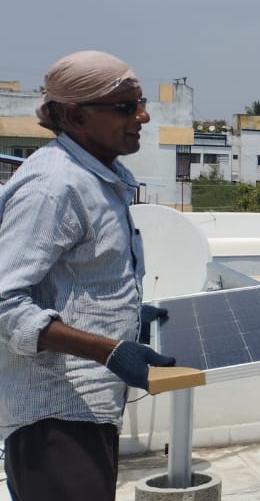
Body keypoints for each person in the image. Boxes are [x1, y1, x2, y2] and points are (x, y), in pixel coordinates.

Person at [0, 51, 177, 501]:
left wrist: (128, 317)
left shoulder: (96, 178)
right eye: (126, 107)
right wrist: (109, 349)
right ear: (77, 115)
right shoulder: (53, 186)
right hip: (54, 417)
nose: (142, 116)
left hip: (85, 411)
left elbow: (77, 282)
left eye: (140, 103)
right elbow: (5, 304)